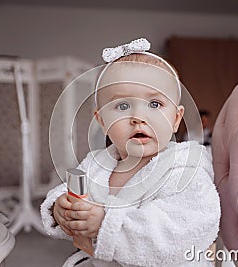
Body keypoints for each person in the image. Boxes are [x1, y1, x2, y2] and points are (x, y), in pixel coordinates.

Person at [41, 38, 220, 267]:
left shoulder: (186, 168)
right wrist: (62, 209)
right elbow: (71, 192)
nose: (138, 117)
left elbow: (185, 226)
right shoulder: (96, 164)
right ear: (102, 121)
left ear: (176, 119)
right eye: (123, 106)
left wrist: (107, 223)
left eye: (154, 104)